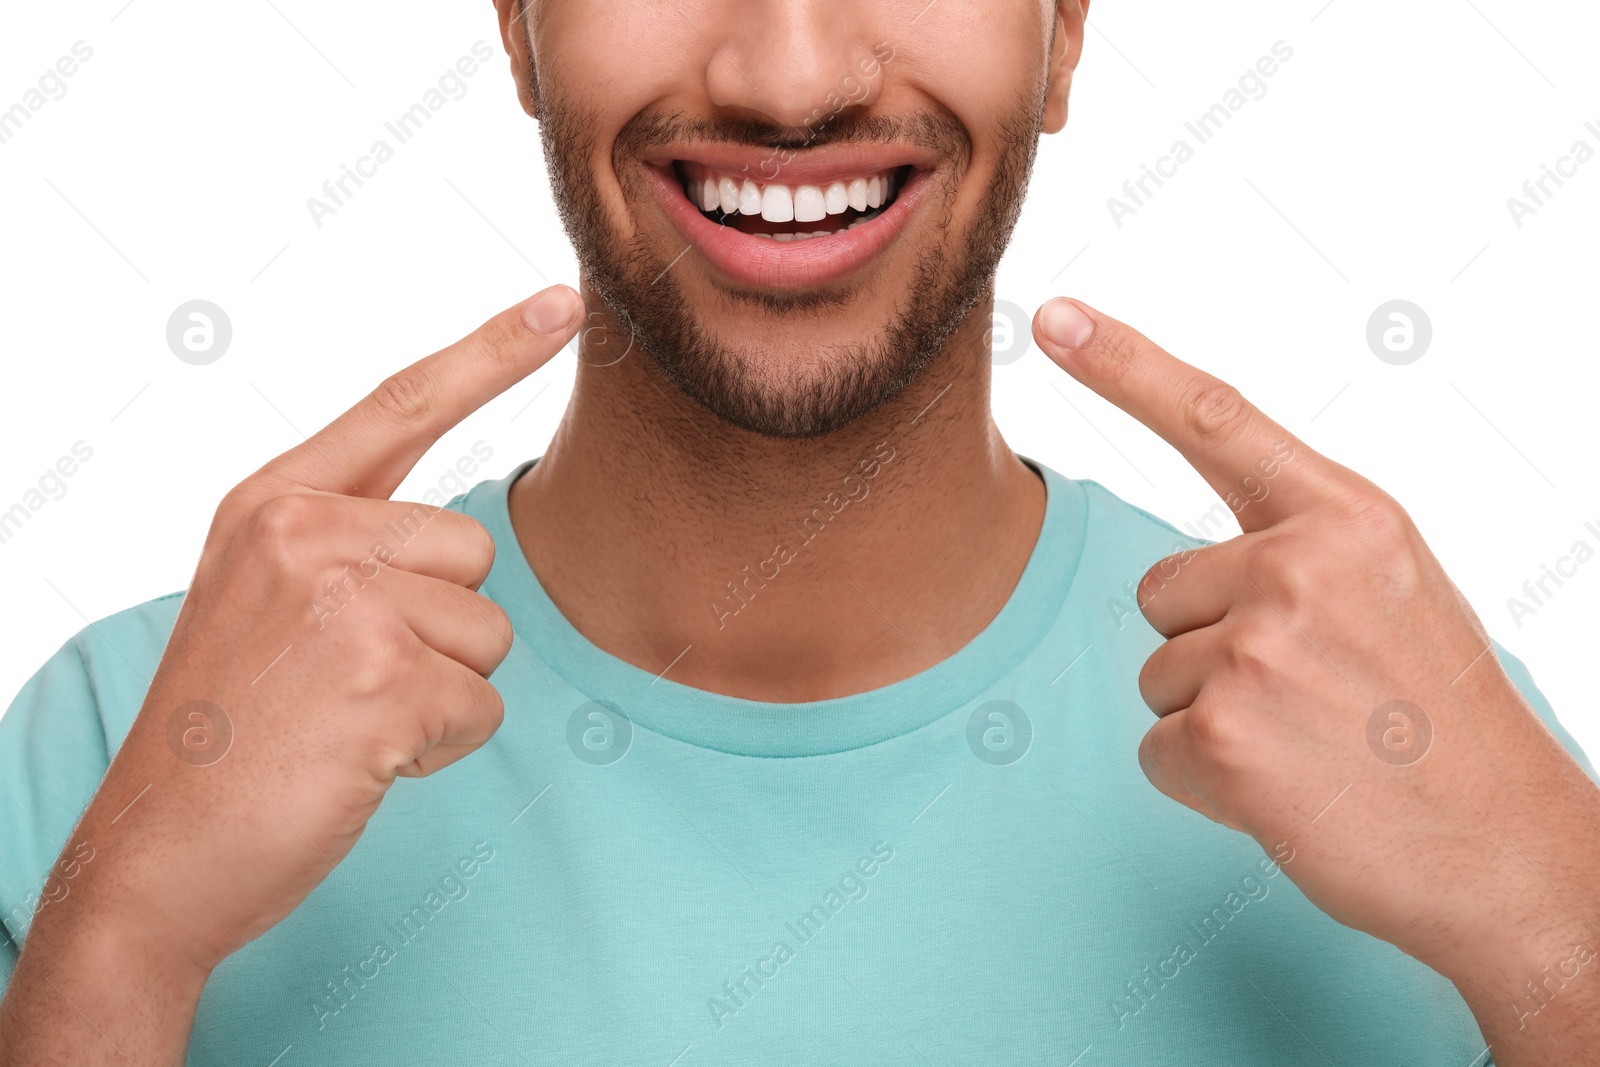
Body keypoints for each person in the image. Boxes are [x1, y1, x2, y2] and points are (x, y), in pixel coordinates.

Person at [3, 2, 1597, 1064]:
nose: (789, 80)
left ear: (1063, 33)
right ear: (517, 24)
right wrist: (123, 945)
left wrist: (1558, 928)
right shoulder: (116, 752)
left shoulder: (1437, 761)